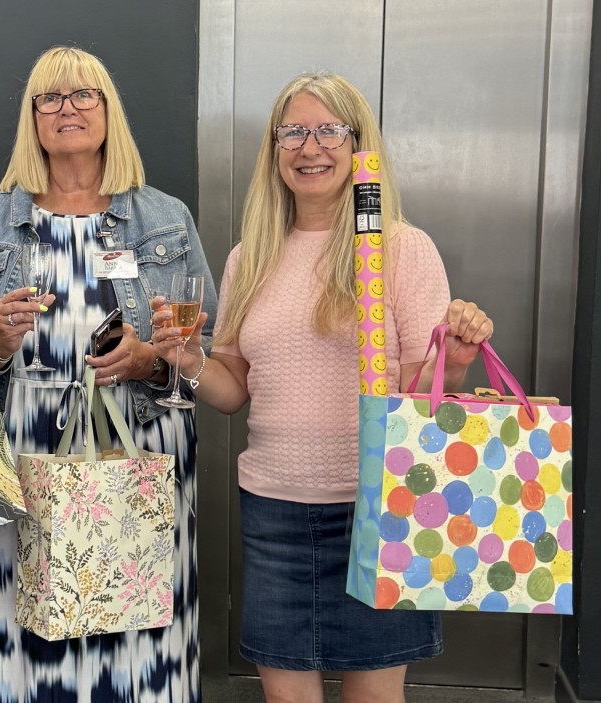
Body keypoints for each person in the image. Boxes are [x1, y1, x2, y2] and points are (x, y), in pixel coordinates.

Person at [151, 72, 495, 703]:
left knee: (373, 696)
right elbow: (233, 391)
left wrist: (460, 359)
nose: (310, 148)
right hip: (272, 510)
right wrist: (188, 357)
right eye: (293, 132)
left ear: (359, 145)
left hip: (378, 508)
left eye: (330, 130)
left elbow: (419, 396)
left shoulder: (401, 249)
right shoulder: (248, 257)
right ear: (275, 150)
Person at [0, 46, 217, 703]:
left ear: (108, 111)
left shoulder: (165, 220)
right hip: (16, 466)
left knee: (136, 637)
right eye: (51, 98)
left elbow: (203, 350)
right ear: (32, 117)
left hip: (136, 457)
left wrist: (153, 359)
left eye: (84, 95)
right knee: (19, 639)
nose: (68, 109)